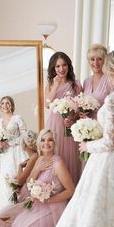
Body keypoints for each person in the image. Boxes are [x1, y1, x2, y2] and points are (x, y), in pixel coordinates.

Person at [36, 45, 114, 227]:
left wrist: (87, 146)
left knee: (97, 210)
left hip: (109, 162)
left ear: (113, 72)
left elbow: (110, 143)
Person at [0, 129, 75, 227]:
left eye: (50, 140)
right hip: (38, 203)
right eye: (43, 140)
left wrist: (49, 199)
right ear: (39, 143)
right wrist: (37, 169)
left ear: (55, 143)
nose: (46, 143)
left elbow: (70, 190)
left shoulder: (58, 164)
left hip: (54, 206)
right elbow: (28, 182)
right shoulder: (39, 159)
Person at [0, 96, 27, 214]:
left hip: (15, 152)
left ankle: (14, 209)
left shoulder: (17, 118)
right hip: (1, 155)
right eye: (2, 103)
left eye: (7, 103)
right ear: (0, 106)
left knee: (12, 178)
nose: (5, 105)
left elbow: (25, 136)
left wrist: (9, 143)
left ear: (12, 105)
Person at [45, 52, 82, 186]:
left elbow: (80, 108)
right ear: (53, 69)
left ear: (68, 66)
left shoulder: (76, 84)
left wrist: (72, 119)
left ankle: (71, 191)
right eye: (57, 66)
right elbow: (47, 103)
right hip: (54, 124)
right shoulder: (50, 83)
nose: (61, 69)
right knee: (55, 153)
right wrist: (55, 84)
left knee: (70, 157)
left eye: (64, 65)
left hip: (69, 126)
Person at [0, 130, 39, 221]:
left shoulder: (33, 158)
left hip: (29, 193)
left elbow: (20, 181)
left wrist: (20, 166)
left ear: (24, 146)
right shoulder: (34, 157)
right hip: (28, 190)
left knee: (6, 216)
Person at [82, 44, 114, 119]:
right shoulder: (86, 81)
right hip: (87, 126)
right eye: (92, 59)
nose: (96, 63)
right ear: (89, 62)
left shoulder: (110, 79)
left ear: (104, 61)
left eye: (99, 59)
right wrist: (81, 112)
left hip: (103, 125)